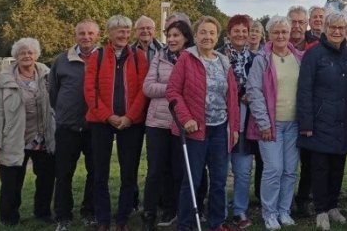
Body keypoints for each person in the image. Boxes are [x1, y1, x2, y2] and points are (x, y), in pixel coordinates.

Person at [167, 16, 241, 231]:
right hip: (196, 131)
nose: (207, 36)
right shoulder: (186, 59)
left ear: (217, 36)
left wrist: (234, 128)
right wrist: (186, 118)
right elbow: (172, 90)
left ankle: (217, 223)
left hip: (220, 129)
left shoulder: (223, 61)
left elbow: (232, 97)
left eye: (211, 33)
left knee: (219, 181)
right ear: (196, 36)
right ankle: (186, 224)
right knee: (192, 181)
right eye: (203, 32)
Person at [84, 15, 149, 231]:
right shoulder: (98, 56)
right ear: (109, 33)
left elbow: (143, 90)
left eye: (127, 30)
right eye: (120, 30)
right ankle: (103, 219)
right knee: (99, 172)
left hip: (131, 122)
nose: (124, 34)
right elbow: (90, 91)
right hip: (101, 122)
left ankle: (122, 219)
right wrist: (107, 116)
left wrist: (130, 116)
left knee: (128, 173)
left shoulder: (139, 57)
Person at [296, 11, 347, 231]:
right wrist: (306, 124)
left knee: (338, 167)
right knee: (319, 168)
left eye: (341, 28)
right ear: (326, 29)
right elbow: (304, 90)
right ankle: (320, 209)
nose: (337, 31)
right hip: (320, 121)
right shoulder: (314, 55)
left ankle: (333, 206)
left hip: (342, 120)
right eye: (333, 28)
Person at [0, 37, 56, 226]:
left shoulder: (47, 75)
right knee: (11, 182)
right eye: (22, 53)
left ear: (36, 55)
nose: (26, 56)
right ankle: (9, 218)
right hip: (14, 137)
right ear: (16, 56)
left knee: (46, 179)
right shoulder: (4, 80)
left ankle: (42, 213)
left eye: (30, 52)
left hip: (43, 137)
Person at [246, 16, 304, 230]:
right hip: (271, 125)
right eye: (276, 32)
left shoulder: (298, 57)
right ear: (269, 35)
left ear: (289, 34)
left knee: (290, 170)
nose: (281, 36)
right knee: (274, 169)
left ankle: (284, 210)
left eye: (284, 32)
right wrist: (263, 124)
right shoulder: (262, 59)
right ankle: (269, 213)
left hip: (294, 123)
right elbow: (254, 91)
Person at [141, 20, 194, 230]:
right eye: (169, 35)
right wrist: (173, 88)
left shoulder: (192, 58)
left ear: (185, 38)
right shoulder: (159, 57)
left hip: (181, 122)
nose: (171, 39)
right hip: (157, 122)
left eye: (176, 36)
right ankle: (148, 214)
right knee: (155, 170)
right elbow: (148, 87)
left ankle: (172, 210)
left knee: (178, 170)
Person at [49, 20, 99, 230]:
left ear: (97, 35)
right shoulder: (61, 61)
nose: (86, 37)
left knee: (95, 173)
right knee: (63, 174)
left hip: (95, 127)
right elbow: (53, 93)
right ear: (75, 35)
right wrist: (64, 113)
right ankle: (63, 216)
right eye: (81, 33)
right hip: (67, 127)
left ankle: (89, 212)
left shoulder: (104, 58)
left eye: (90, 33)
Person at [220, 15, 258, 229]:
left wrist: (249, 94)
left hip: (245, 120)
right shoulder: (218, 56)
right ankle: (221, 210)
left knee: (243, 170)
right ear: (229, 33)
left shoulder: (254, 58)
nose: (241, 34)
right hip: (222, 120)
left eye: (245, 31)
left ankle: (240, 210)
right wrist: (237, 94)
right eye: (237, 31)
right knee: (222, 169)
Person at [287, 5, 316, 216]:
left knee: (308, 160)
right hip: (283, 112)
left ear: (306, 24)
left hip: (308, 111)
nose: (296, 26)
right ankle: (278, 200)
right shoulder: (276, 46)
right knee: (281, 162)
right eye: (293, 22)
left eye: (300, 22)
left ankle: (303, 199)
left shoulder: (313, 47)